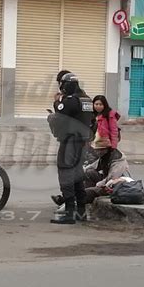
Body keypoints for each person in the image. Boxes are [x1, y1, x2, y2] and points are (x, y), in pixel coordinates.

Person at [47, 72, 93, 224]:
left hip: (70, 143)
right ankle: (81, 212)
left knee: (66, 175)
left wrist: (57, 101)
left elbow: (60, 112)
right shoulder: (87, 99)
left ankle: (69, 212)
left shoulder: (72, 100)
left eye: (62, 84)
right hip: (83, 142)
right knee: (78, 176)